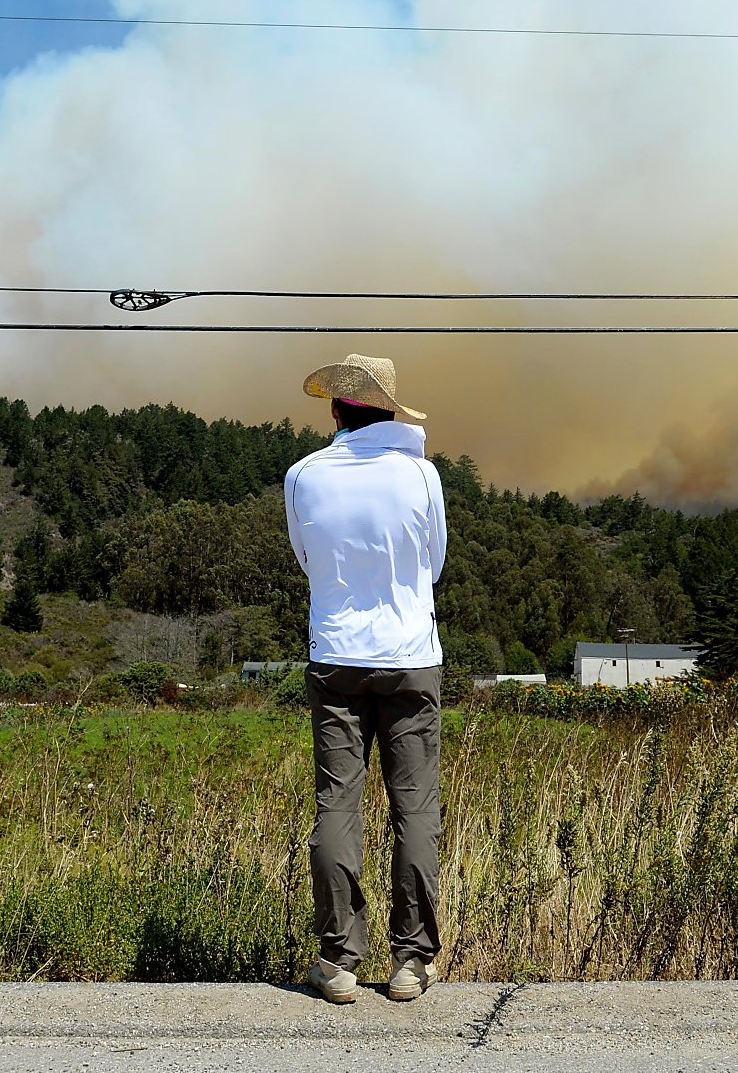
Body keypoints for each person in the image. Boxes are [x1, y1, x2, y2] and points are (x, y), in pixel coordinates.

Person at [284, 353, 447, 1004]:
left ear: (334, 409)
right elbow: (432, 565)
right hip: (410, 653)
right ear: (390, 408)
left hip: (337, 657)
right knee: (415, 810)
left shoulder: (302, 476)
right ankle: (411, 963)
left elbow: (305, 558)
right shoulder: (421, 475)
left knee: (337, 807)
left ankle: (338, 962)